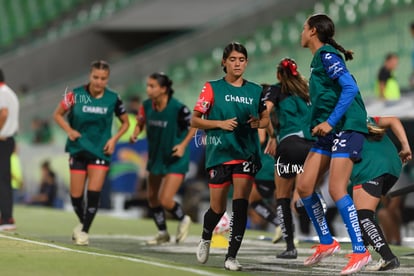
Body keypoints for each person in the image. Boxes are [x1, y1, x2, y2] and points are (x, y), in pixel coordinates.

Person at [297, 13, 372, 275]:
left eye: (304, 28)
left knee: (337, 189)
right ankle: (327, 242)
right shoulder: (318, 60)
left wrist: (329, 121)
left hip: (346, 126)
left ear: (313, 31)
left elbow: (350, 88)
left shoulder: (327, 56)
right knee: (304, 186)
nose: (301, 32)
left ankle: (361, 251)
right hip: (331, 129)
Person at [192, 42, 269, 271]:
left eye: (242, 59)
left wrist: (259, 123)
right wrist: (219, 124)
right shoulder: (211, 88)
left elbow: (265, 119)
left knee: (241, 205)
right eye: (233, 59)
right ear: (224, 63)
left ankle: (231, 256)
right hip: (219, 154)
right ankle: (206, 237)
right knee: (217, 208)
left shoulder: (255, 90)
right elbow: (195, 120)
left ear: (246, 63)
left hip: (245, 154)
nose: (237, 63)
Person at [53, 60, 129, 245]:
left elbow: (125, 123)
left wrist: (114, 139)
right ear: (90, 76)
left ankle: (85, 231)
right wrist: (69, 130)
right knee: (76, 197)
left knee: (93, 194)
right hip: (78, 149)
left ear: (107, 79)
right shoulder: (75, 95)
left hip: (100, 151)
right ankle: (82, 222)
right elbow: (57, 114)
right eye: (96, 77)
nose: (98, 82)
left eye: (103, 78)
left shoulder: (113, 98)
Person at [130, 72, 194, 245]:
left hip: (175, 159)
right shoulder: (146, 106)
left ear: (163, 89)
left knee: (165, 200)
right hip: (156, 158)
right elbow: (141, 122)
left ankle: (183, 219)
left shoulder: (178, 108)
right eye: (147, 85)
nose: (148, 89)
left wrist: (182, 145)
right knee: (152, 198)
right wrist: (136, 133)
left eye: (152, 86)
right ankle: (162, 233)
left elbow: (194, 125)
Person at [262, 58, 315, 259]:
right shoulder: (308, 91)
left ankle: (290, 246)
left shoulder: (276, 90)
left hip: (290, 146)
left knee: (282, 196)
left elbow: (264, 113)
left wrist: (272, 136)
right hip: (312, 147)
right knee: (308, 193)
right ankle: (325, 239)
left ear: (278, 75)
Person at [349, 116, 411, 271]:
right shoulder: (365, 117)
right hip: (393, 167)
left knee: (364, 216)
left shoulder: (337, 123)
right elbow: (394, 120)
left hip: (370, 167)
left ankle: (388, 257)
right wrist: (405, 146)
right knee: (364, 215)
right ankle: (362, 250)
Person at [248, 127, 282, 241]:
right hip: (282, 165)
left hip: (266, 168)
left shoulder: (262, 116)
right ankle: (286, 229)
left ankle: (280, 225)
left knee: (253, 200)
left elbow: (261, 139)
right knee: (284, 200)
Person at [0, 68, 19, 231]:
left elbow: (4, 113)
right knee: (3, 179)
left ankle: (6, 218)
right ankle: (6, 216)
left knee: (2, 180)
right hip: (8, 139)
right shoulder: (9, 93)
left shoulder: (1, 92)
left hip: (2, 139)